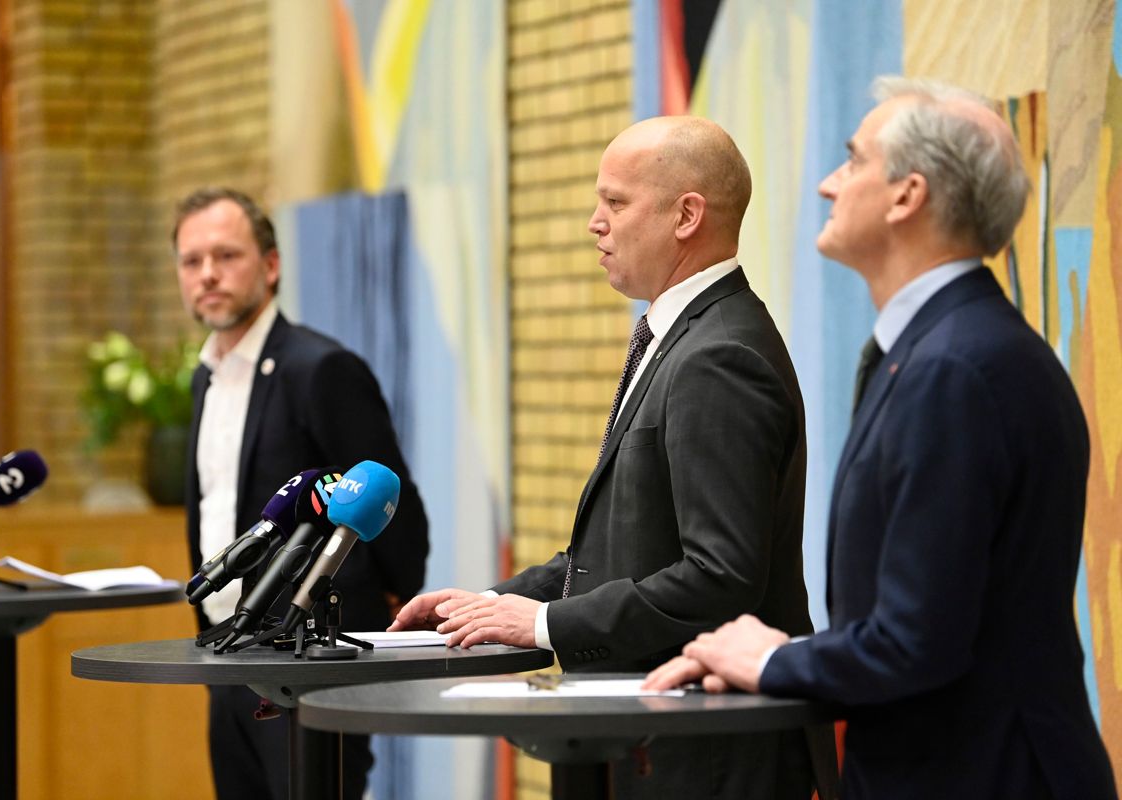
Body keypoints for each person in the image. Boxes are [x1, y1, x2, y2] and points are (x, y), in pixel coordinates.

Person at [644, 77, 1119, 799]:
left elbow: (915, 640)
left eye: (854, 160)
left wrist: (774, 660)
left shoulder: (956, 370)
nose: (830, 184)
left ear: (908, 196)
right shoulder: (948, 351)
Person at [390, 117, 833, 798]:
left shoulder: (719, 356)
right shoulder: (680, 334)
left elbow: (720, 576)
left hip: (707, 760)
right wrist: (492, 605)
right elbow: (632, 549)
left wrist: (542, 624)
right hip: (658, 742)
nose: (595, 224)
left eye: (616, 203)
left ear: (687, 215)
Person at [174, 187, 429, 800]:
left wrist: (379, 614)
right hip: (227, 651)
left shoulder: (320, 369)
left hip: (306, 661)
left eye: (226, 255)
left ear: (270, 265)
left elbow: (396, 512)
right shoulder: (203, 379)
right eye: (191, 261)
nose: (207, 273)